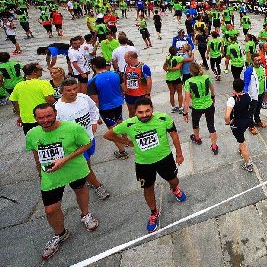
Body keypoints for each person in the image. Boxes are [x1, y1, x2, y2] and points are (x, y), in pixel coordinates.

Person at [26, 103, 98, 260]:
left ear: (55, 113)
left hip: (74, 169)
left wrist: (66, 159)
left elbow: (87, 143)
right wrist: (40, 173)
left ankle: (86, 215)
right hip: (51, 176)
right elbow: (36, 154)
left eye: (49, 116)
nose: (45, 120)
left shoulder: (72, 128)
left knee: (81, 190)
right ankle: (60, 233)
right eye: (41, 117)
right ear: (35, 118)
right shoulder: (32, 133)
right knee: (50, 210)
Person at [104, 98, 186, 232]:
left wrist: (179, 154)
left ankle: (174, 189)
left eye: (147, 111)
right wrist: (126, 142)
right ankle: (154, 212)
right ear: (134, 112)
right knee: (148, 188)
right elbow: (108, 135)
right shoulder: (129, 124)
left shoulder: (163, 118)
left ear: (152, 109)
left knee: (174, 180)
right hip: (143, 163)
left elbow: (175, 136)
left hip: (165, 159)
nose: (144, 115)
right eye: (140, 112)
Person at [55, 78, 109, 200]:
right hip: (75, 145)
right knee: (85, 166)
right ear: (62, 91)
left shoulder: (83, 97)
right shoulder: (58, 108)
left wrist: (94, 121)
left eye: (75, 88)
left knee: (88, 162)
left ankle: (88, 179)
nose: (73, 92)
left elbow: (93, 109)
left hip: (89, 138)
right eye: (68, 90)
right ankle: (98, 186)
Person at [87, 56, 129, 160]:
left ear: (94, 66)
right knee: (120, 123)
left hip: (105, 109)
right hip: (118, 104)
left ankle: (122, 152)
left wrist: (97, 117)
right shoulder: (116, 74)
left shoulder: (92, 81)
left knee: (112, 131)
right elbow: (124, 89)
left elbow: (95, 101)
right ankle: (126, 140)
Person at [9, 63, 56, 135]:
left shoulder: (18, 85)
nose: (41, 71)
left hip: (26, 120)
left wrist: (20, 116)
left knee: (32, 141)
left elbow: (14, 102)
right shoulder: (44, 83)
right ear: (34, 72)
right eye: (40, 70)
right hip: (44, 118)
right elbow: (50, 100)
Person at [183, 62, 219, 155]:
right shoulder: (206, 77)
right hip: (209, 105)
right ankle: (214, 146)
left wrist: (185, 112)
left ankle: (197, 138)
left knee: (195, 124)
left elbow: (187, 99)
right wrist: (213, 97)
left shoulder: (188, 82)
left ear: (191, 72)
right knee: (211, 126)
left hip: (197, 107)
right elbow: (212, 88)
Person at [225, 78, 254, 171]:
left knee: (243, 144)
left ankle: (248, 164)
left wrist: (229, 122)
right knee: (241, 137)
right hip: (246, 121)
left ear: (233, 88)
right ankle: (240, 146)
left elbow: (226, 116)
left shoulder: (231, 99)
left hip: (238, 124)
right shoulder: (247, 95)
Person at [243, 53, 267, 135]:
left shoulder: (262, 68)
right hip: (253, 95)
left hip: (261, 93)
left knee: (258, 109)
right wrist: (246, 95)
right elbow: (246, 84)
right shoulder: (249, 71)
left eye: (259, 60)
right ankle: (251, 126)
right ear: (252, 61)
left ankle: (258, 121)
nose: (259, 61)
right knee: (251, 111)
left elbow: (265, 78)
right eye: (257, 60)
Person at [122, 51, 152, 117]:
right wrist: (124, 90)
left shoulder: (143, 67)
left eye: (125, 58)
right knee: (131, 112)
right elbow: (124, 78)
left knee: (143, 112)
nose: (124, 60)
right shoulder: (126, 67)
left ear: (130, 58)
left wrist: (148, 94)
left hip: (141, 95)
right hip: (129, 94)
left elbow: (149, 81)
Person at [164, 46, 184, 113]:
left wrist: (168, 69)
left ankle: (173, 107)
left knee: (171, 93)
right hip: (176, 78)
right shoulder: (179, 58)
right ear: (176, 51)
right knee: (179, 93)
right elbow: (188, 59)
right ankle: (180, 107)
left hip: (169, 78)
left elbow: (164, 67)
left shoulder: (167, 57)